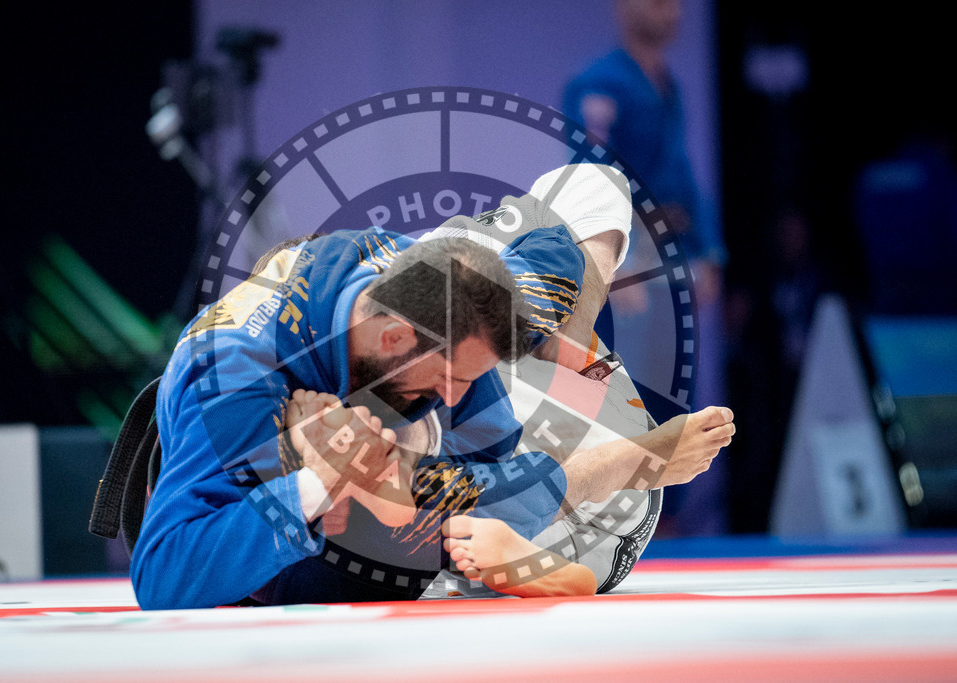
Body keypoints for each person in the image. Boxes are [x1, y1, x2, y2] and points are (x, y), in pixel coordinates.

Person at [131, 163, 641, 609]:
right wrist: (321, 481)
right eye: (450, 379)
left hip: (561, 421)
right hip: (594, 512)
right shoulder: (238, 382)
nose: (456, 395)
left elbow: (595, 185)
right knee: (427, 544)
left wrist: (561, 344)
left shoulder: (451, 278)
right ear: (396, 338)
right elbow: (161, 577)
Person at [563, 0, 729, 536]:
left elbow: (682, 173)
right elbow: (591, 175)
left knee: (670, 381)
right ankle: (625, 517)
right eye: (657, 0)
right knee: (622, 385)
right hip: (630, 258)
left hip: (672, 252)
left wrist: (707, 252)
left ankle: (668, 513)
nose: (671, 11)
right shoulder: (598, 84)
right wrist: (618, 261)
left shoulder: (666, 84)